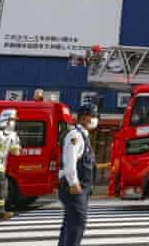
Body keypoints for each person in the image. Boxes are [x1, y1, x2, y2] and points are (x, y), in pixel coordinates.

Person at [58, 104, 98, 246]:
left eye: (95, 116)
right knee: (77, 224)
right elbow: (70, 162)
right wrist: (73, 183)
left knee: (70, 223)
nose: (95, 119)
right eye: (92, 116)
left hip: (82, 188)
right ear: (83, 117)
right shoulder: (75, 135)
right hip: (74, 187)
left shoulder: (84, 137)